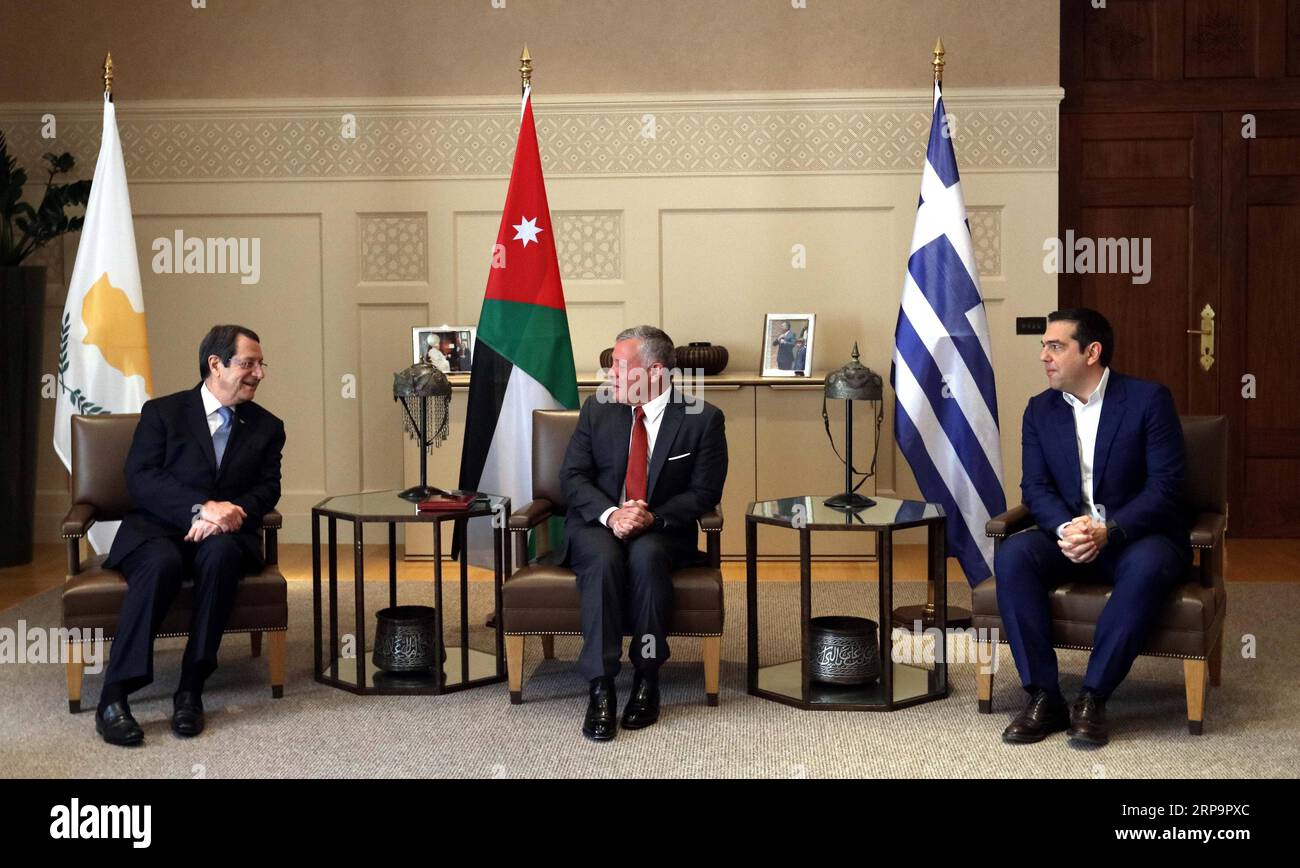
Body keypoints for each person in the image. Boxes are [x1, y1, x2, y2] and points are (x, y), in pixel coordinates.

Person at [994, 308, 1190, 748]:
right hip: (1071, 539)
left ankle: (1093, 697)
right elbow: (1035, 487)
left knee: (1149, 564)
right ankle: (1044, 695)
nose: (1043, 355)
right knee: (1013, 555)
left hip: (1136, 537)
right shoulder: (1039, 410)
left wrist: (1108, 531)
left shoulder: (1147, 400)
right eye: (1043, 345)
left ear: (1092, 352)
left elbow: (1166, 488)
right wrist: (1067, 529)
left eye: (1055, 346)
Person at [95, 325, 285, 746]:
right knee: (161, 562)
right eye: (248, 363)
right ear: (215, 365)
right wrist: (201, 508)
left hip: (227, 535)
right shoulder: (163, 412)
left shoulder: (268, 426)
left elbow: (267, 487)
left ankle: (191, 687)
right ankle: (114, 696)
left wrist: (232, 512)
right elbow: (141, 478)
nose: (259, 373)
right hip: (158, 528)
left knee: (220, 557)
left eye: (260, 364)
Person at [557, 325, 727, 741]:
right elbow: (572, 477)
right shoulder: (598, 409)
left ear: (653, 371)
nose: (609, 374)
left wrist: (653, 518)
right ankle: (601, 686)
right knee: (603, 558)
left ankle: (647, 676)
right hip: (600, 522)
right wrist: (613, 514)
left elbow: (705, 491)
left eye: (617, 365)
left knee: (647, 557)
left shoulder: (702, 418)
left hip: (662, 528)